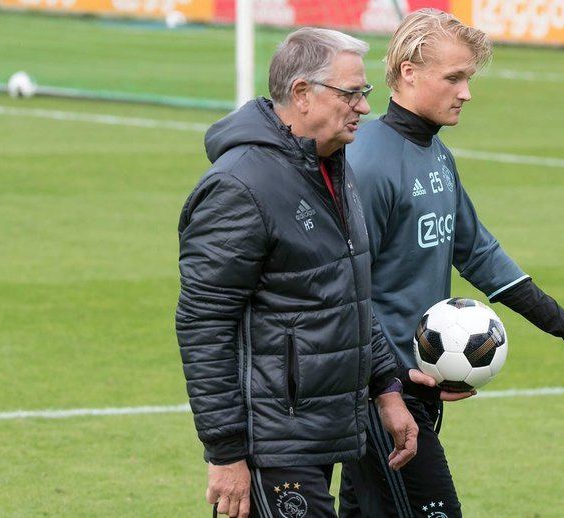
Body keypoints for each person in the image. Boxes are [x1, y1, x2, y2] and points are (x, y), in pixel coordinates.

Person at [338, 9, 564, 517]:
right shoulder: (369, 162)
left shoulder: (435, 154)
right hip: (382, 394)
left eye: (469, 78)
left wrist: (563, 325)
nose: (466, 92)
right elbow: (341, 288)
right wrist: (391, 375)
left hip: (411, 388)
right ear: (408, 73)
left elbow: (477, 252)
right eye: (455, 77)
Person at [176, 27, 424, 518]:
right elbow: (203, 325)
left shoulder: (332, 164)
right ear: (302, 94)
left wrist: (386, 387)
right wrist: (226, 451)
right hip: (271, 441)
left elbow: (350, 292)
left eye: (365, 93)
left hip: (324, 426)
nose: (364, 107)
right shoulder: (240, 186)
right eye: (351, 93)